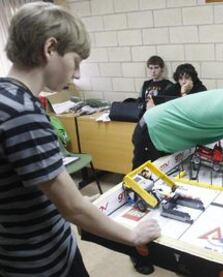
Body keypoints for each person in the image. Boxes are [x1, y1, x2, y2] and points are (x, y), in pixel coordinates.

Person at [0, 3, 160, 277]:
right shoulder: (24, 112)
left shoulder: (6, 96)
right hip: (42, 263)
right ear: (50, 49)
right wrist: (133, 235)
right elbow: (73, 207)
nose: (76, 74)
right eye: (76, 62)